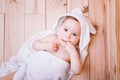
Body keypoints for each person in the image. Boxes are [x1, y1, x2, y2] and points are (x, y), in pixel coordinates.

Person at [0, 8, 96, 80]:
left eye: (74, 34)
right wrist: (45, 46)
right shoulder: (53, 38)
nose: (68, 35)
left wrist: (73, 53)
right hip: (27, 73)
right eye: (66, 30)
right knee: (13, 77)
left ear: (80, 39)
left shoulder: (73, 52)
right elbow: (34, 45)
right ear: (59, 27)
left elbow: (77, 71)